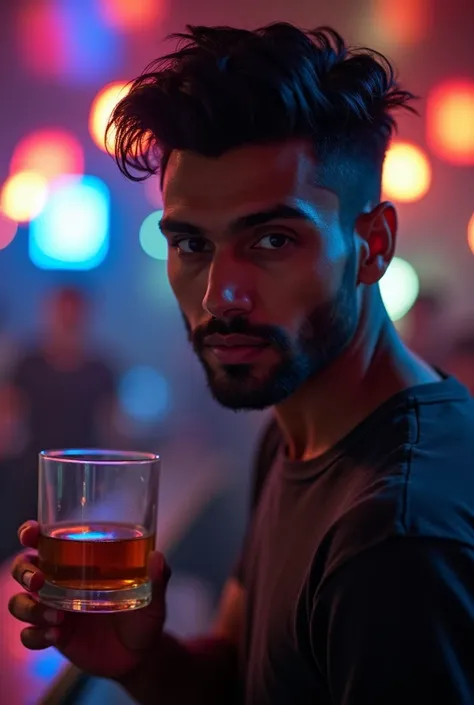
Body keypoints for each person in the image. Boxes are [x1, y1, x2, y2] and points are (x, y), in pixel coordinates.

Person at [8, 23, 474, 705]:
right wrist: (140, 659)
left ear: (372, 246)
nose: (219, 292)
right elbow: (238, 678)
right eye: (192, 242)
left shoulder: (396, 540)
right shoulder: (297, 432)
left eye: (272, 239)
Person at [0, 286, 117, 561]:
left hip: (83, 480)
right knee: (20, 549)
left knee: (74, 555)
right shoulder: (27, 364)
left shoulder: (101, 369)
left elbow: (112, 429)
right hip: (32, 477)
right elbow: (7, 418)